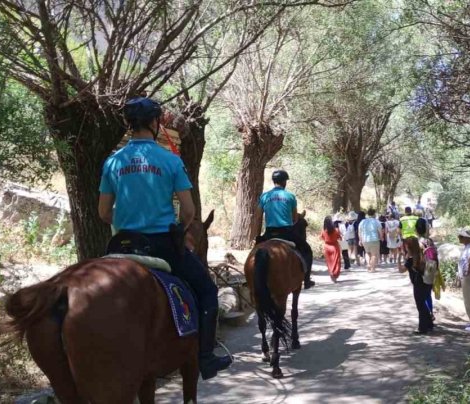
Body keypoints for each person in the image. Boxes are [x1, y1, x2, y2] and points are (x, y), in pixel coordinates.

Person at [98, 97, 231, 380]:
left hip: (121, 245)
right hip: (161, 246)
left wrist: (125, 222)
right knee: (207, 292)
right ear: (153, 123)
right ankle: (205, 358)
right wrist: (181, 228)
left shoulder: (112, 161)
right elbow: (190, 210)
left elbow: (103, 212)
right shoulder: (170, 160)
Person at [256, 170, 315, 289]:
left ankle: (252, 279)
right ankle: (307, 280)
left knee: (255, 253)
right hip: (287, 233)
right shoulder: (290, 196)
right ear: (284, 182)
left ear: (274, 181)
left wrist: (258, 236)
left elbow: (258, 218)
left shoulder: (264, 196)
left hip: (269, 233)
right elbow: (294, 219)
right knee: (307, 251)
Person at [406, 255, 434, 334]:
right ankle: (429, 324)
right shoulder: (424, 256)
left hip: (419, 282)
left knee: (421, 305)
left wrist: (399, 259)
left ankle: (423, 328)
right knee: (423, 304)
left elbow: (401, 270)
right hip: (427, 281)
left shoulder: (411, 259)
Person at [358, 208, 383, 272]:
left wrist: (360, 240)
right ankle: (372, 268)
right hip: (374, 239)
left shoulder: (362, 221)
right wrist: (381, 237)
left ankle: (369, 265)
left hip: (365, 240)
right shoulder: (376, 221)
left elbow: (359, 232)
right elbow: (380, 231)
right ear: (374, 214)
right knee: (374, 254)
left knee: (367, 253)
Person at [321, 216, 342, 283]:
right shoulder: (336, 230)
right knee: (336, 262)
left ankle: (331, 275)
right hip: (335, 247)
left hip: (327, 247)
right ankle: (335, 275)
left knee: (329, 262)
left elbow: (322, 238)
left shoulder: (323, 231)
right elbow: (339, 238)